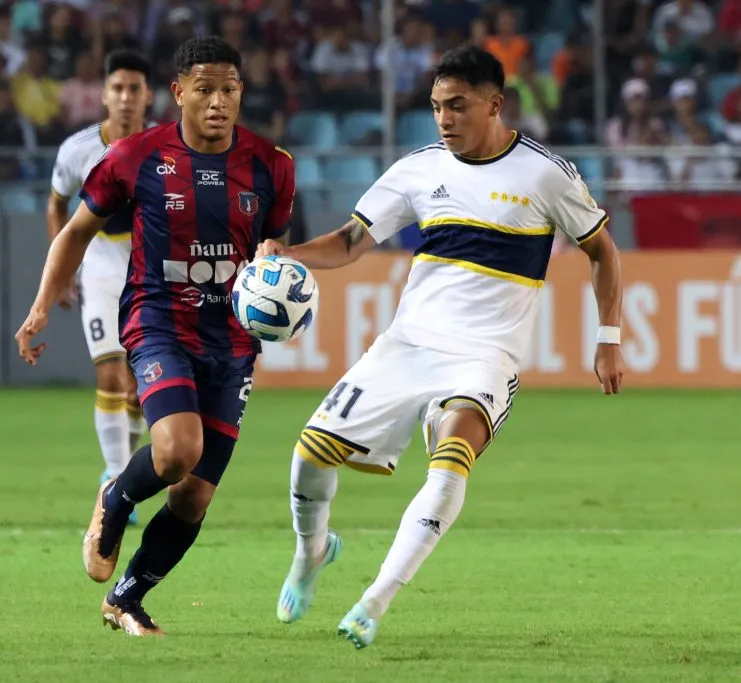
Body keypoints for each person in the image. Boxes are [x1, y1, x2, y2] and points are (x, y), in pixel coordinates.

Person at [261, 44, 625, 649]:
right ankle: (312, 551)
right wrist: (288, 253)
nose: (444, 120)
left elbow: (602, 251)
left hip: (486, 356)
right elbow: (350, 241)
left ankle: (374, 601)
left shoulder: (544, 174)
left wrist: (609, 337)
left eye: (457, 106)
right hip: (407, 345)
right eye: (436, 107)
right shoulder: (419, 169)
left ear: (495, 104)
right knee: (311, 454)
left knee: (453, 456)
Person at [15, 36, 295, 636]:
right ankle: (115, 496)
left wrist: (274, 254)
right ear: (178, 93)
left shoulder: (272, 165)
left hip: (232, 341)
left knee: (194, 496)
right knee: (175, 450)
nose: (218, 102)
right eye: (204, 90)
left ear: (241, 92)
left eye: (229, 90)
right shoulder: (135, 157)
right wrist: (40, 307)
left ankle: (127, 598)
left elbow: (273, 241)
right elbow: (75, 231)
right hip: (159, 322)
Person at [45, 49, 154, 527]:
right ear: (104, 94)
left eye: (134, 89)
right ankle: (116, 482)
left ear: (149, 96)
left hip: (152, 275)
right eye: (118, 88)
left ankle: (121, 473)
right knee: (111, 376)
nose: (126, 97)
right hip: (101, 270)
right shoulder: (78, 150)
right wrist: (62, 269)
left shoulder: (167, 146)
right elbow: (56, 205)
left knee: (139, 389)